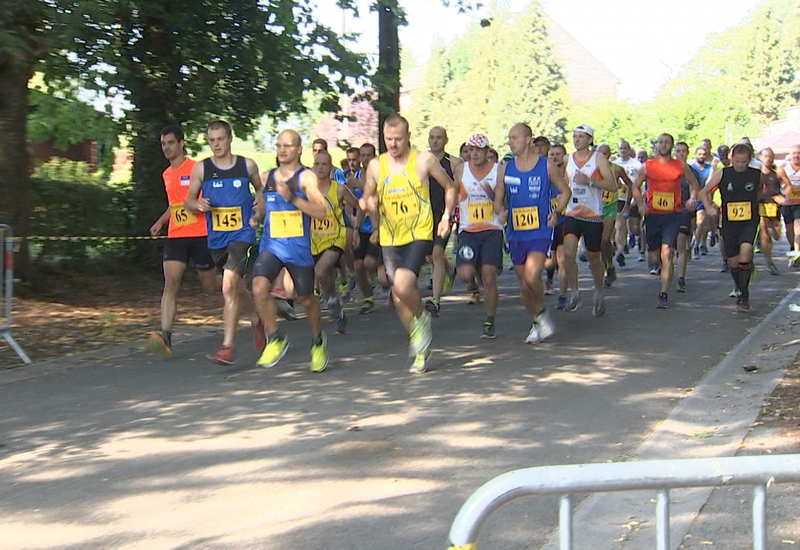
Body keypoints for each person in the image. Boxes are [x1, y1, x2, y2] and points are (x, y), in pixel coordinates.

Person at [360, 115, 456, 374]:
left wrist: (446, 217)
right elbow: (368, 197)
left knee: (403, 284)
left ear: (408, 135)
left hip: (419, 232)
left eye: (398, 139)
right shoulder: (376, 166)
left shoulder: (423, 160)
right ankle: (420, 346)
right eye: (388, 139)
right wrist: (368, 208)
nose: (392, 144)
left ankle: (422, 319)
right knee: (399, 296)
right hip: (390, 237)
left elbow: (450, 187)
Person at [184, 119, 264, 365]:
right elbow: (187, 201)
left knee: (228, 285)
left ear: (230, 138)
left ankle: (227, 346)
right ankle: (256, 318)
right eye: (211, 140)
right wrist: (196, 205)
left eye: (220, 139)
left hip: (242, 235)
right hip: (216, 239)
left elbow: (261, 191)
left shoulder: (246, 165)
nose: (216, 144)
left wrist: (258, 212)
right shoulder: (202, 169)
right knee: (236, 287)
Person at [251, 129, 330, 371]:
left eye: (287, 146)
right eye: (278, 146)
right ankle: (275, 338)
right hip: (271, 245)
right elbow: (262, 206)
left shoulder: (305, 178)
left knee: (306, 299)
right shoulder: (267, 177)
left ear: (298, 149)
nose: (282, 150)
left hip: (297, 250)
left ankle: (317, 341)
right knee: (258, 287)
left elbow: (321, 211)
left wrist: (292, 199)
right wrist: (256, 215)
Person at [493, 123, 570, 342]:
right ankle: (537, 319)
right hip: (516, 232)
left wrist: (556, 212)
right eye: (509, 138)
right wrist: (501, 212)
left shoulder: (545, 166)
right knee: (523, 282)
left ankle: (540, 316)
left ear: (528, 139)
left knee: (531, 274)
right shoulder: (504, 169)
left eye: (514, 137)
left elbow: (565, 192)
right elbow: (497, 202)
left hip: (540, 230)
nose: (510, 141)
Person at [147, 125, 218, 357]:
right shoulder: (167, 174)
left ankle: (233, 285)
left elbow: (208, 198)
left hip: (200, 235)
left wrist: (200, 205)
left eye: (170, 142)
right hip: (176, 236)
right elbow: (174, 204)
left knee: (210, 287)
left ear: (181, 143)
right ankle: (166, 334)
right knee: (171, 283)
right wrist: (161, 221)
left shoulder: (196, 168)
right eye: (163, 144)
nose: (166, 147)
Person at [630, 133, 700, 308]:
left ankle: (663, 293)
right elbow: (635, 186)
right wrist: (640, 204)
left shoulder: (680, 165)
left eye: (666, 142)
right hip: (653, 215)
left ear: (671, 146)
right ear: (657, 146)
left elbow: (694, 184)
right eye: (660, 142)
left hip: (672, 214)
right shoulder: (648, 166)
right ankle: (660, 266)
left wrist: (692, 198)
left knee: (667, 251)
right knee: (655, 256)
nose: (663, 145)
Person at [699, 143, 763, 312]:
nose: (740, 165)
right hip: (729, 222)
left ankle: (744, 295)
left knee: (745, 253)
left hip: (749, 222)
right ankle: (741, 287)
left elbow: (763, 192)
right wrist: (709, 206)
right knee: (733, 262)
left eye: (743, 162)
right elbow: (704, 192)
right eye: (737, 161)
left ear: (749, 160)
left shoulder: (756, 175)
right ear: (731, 159)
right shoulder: (723, 173)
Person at [452, 134, 504, 338]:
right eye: (470, 150)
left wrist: (493, 197)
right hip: (468, 229)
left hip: (491, 229)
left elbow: (500, 202)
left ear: (486, 151)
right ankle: (474, 285)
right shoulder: (461, 170)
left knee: (489, 276)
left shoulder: (498, 171)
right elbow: (454, 194)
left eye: (478, 150)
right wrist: (449, 215)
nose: (473, 154)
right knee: (465, 273)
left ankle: (490, 320)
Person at [562, 124, 616, 316]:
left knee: (594, 258)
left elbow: (612, 186)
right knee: (568, 254)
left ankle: (599, 293)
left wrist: (590, 181)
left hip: (592, 215)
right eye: (574, 136)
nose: (576, 140)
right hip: (572, 213)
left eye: (581, 137)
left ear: (590, 139)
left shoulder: (598, 159)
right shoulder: (567, 159)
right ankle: (575, 292)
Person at [310, 150, 361, 334]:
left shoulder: (338, 189)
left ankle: (332, 302)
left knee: (320, 270)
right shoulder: (307, 190)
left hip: (335, 238)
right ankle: (335, 305)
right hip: (314, 240)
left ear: (331, 168)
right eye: (317, 164)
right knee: (323, 277)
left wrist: (356, 228)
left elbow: (358, 205)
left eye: (324, 164)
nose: (320, 168)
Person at [423, 126, 462, 317]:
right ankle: (450, 270)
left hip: (443, 215)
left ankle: (435, 299)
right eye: (432, 137)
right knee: (430, 256)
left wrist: (451, 213)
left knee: (437, 253)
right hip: (423, 216)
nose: (435, 141)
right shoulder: (420, 161)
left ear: (446, 140)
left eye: (439, 138)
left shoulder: (454, 163)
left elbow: (458, 189)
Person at [348, 143, 385, 314]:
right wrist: (354, 227)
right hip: (362, 226)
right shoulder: (354, 177)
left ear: (374, 156)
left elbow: (376, 194)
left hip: (380, 226)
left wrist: (361, 184)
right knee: (357, 265)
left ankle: (381, 280)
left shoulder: (380, 174)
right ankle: (367, 297)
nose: (365, 159)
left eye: (368, 155)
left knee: (370, 262)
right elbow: (356, 203)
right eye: (362, 155)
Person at [595, 144, 633, 288]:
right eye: (600, 153)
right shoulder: (591, 170)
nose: (602, 156)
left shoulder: (617, 169)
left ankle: (610, 264)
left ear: (610, 155)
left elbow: (630, 185)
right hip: (595, 208)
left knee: (606, 239)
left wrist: (627, 205)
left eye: (605, 153)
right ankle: (608, 268)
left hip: (611, 207)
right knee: (598, 244)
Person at [546, 144, 569, 309]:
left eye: (558, 154)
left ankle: (563, 295)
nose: (554, 157)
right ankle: (549, 279)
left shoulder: (569, 175)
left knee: (562, 260)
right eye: (552, 154)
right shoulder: (546, 175)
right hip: (549, 222)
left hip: (566, 221)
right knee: (549, 262)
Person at [673, 141, 698, 292]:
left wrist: (692, 199)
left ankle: (681, 277)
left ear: (687, 153)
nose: (681, 154)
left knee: (681, 242)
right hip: (667, 211)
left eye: (683, 151)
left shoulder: (691, 171)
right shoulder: (667, 169)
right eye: (678, 151)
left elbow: (694, 187)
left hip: (683, 210)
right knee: (667, 247)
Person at [613, 140, 642, 265]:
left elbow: (640, 181)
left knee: (634, 227)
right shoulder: (614, 164)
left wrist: (638, 197)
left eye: (625, 148)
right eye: (621, 148)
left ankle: (631, 239)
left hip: (633, 196)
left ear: (629, 150)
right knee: (619, 224)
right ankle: (620, 249)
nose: (623, 151)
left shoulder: (636, 164)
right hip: (619, 197)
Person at [757, 147, 783, 275]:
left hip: (774, 207)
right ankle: (769, 262)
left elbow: (787, 186)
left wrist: (784, 198)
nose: (768, 158)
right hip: (760, 206)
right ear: (760, 157)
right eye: (766, 156)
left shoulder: (777, 172)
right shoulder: (756, 173)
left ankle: (768, 244)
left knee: (776, 234)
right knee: (764, 233)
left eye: (771, 156)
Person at [690, 146, 714, 258]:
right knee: (693, 225)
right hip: (692, 198)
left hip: (704, 198)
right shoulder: (690, 168)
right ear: (695, 155)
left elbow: (709, 183)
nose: (701, 156)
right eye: (699, 154)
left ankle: (697, 244)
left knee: (701, 222)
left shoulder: (710, 168)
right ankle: (692, 244)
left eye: (704, 154)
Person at [777, 145, 800, 253]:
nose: (797, 156)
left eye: (799, 153)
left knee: (798, 227)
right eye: (794, 153)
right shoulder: (784, 169)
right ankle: (793, 246)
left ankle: (797, 252)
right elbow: (774, 184)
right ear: (790, 155)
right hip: (786, 203)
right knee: (789, 228)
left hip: (799, 203)